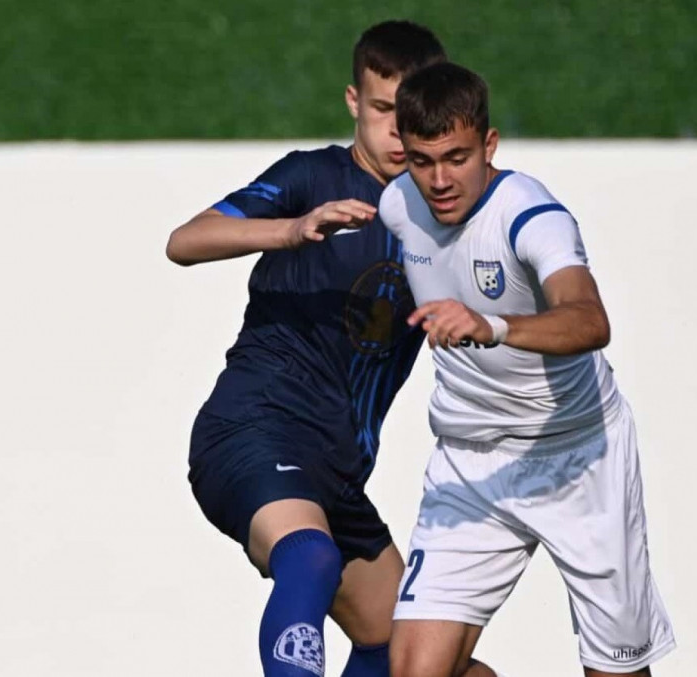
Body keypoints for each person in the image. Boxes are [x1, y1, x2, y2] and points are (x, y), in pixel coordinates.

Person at [166, 22, 497, 677]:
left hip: (337, 476)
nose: (396, 133)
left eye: (410, 116)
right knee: (310, 557)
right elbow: (185, 240)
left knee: (423, 661)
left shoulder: (443, 217)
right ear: (353, 101)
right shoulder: (313, 176)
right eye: (381, 110)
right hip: (254, 430)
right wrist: (290, 229)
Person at [378, 62, 677, 677]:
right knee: (414, 671)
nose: (439, 180)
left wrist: (492, 326)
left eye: (457, 158)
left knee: (615, 671)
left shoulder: (532, 216)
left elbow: (590, 320)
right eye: (422, 161)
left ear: (489, 146)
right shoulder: (397, 205)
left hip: (579, 457)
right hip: (470, 460)